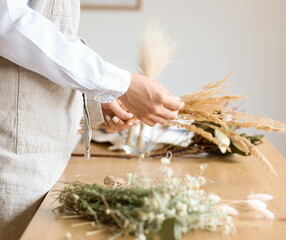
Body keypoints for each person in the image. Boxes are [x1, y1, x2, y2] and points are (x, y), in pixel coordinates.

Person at [0, 0, 184, 239]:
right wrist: (121, 85)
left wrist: (96, 99)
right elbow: (8, 21)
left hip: (42, 158)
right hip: (15, 161)